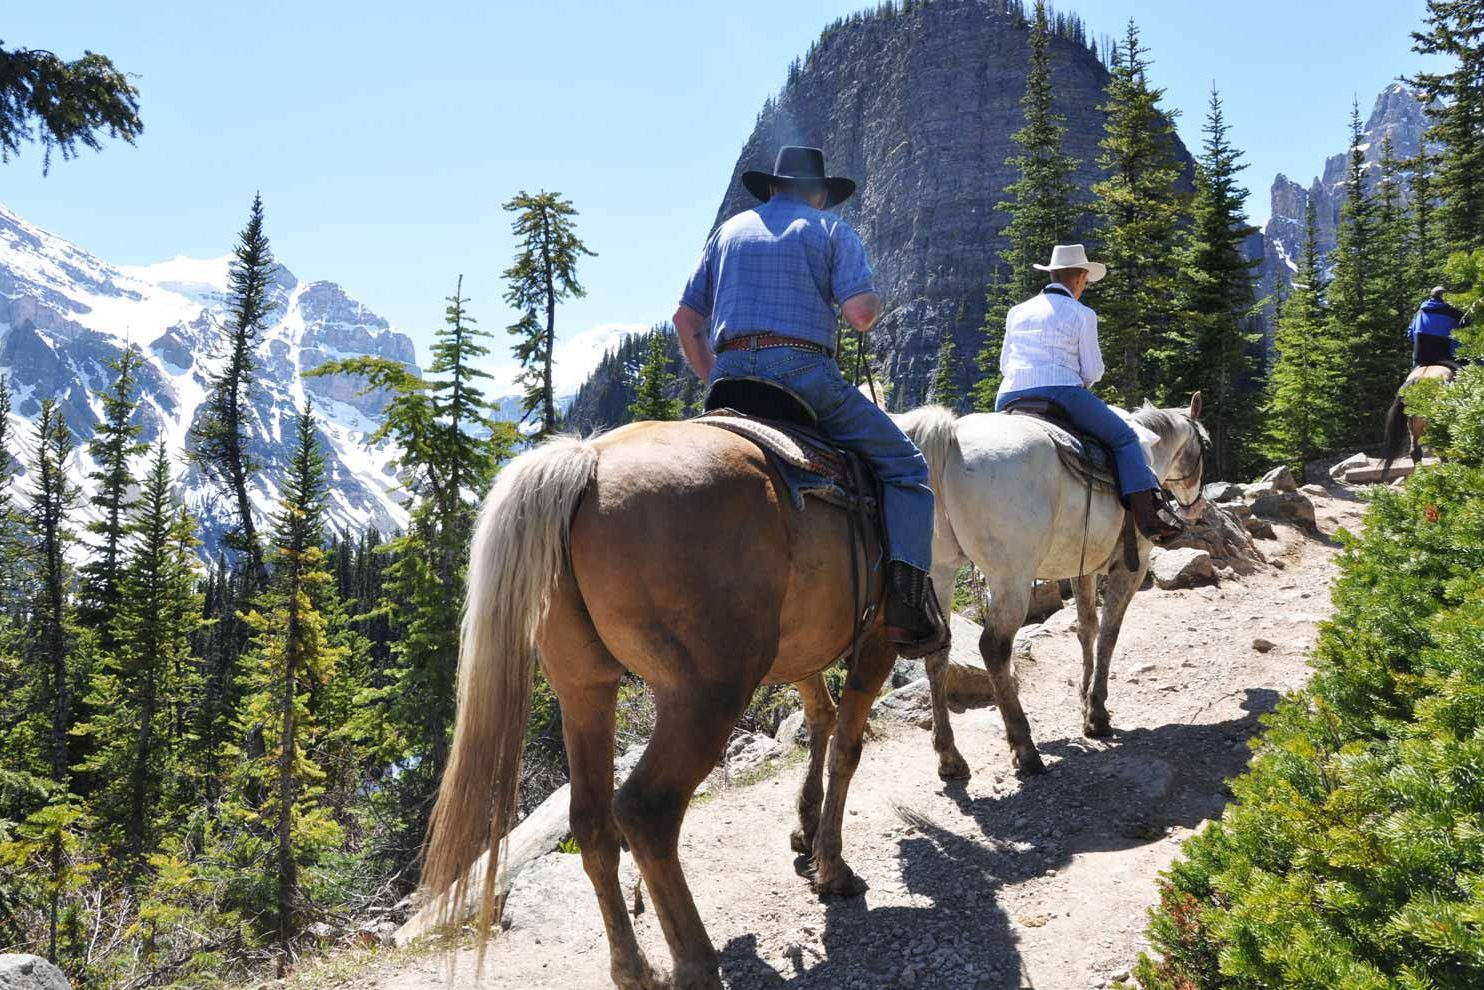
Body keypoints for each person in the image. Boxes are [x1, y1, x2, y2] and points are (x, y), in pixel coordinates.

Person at [672, 145, 949, 658]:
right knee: (907, 468)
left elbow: (686, 322)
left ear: (773, 187)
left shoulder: (728, 233)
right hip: (803, 376)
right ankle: (907, 606)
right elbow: (860, 316)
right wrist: (872, 301)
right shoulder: (830, 230)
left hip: (729, 380)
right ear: (819, 193)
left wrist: (716, 379)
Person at [994, 244, 1184, 543]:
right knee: (1125, 438)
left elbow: (1005, 364)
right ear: (1080, 277)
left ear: (1053, 274)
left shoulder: (1017, 311)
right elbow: (1092, 371)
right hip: (1060, 391)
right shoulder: (1082, 313)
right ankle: (1148, 520)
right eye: (1085, 281)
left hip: (1009, 395)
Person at [1408, 286, 1467, 367]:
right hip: (1447, 355)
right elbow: (1467, 334)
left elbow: (1410, 335)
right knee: (1477, 363)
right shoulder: (1455, 313)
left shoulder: (1420, 312)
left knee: (1415, 371)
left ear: (1431, 297)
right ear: (1446, 297)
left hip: (1421, 356)